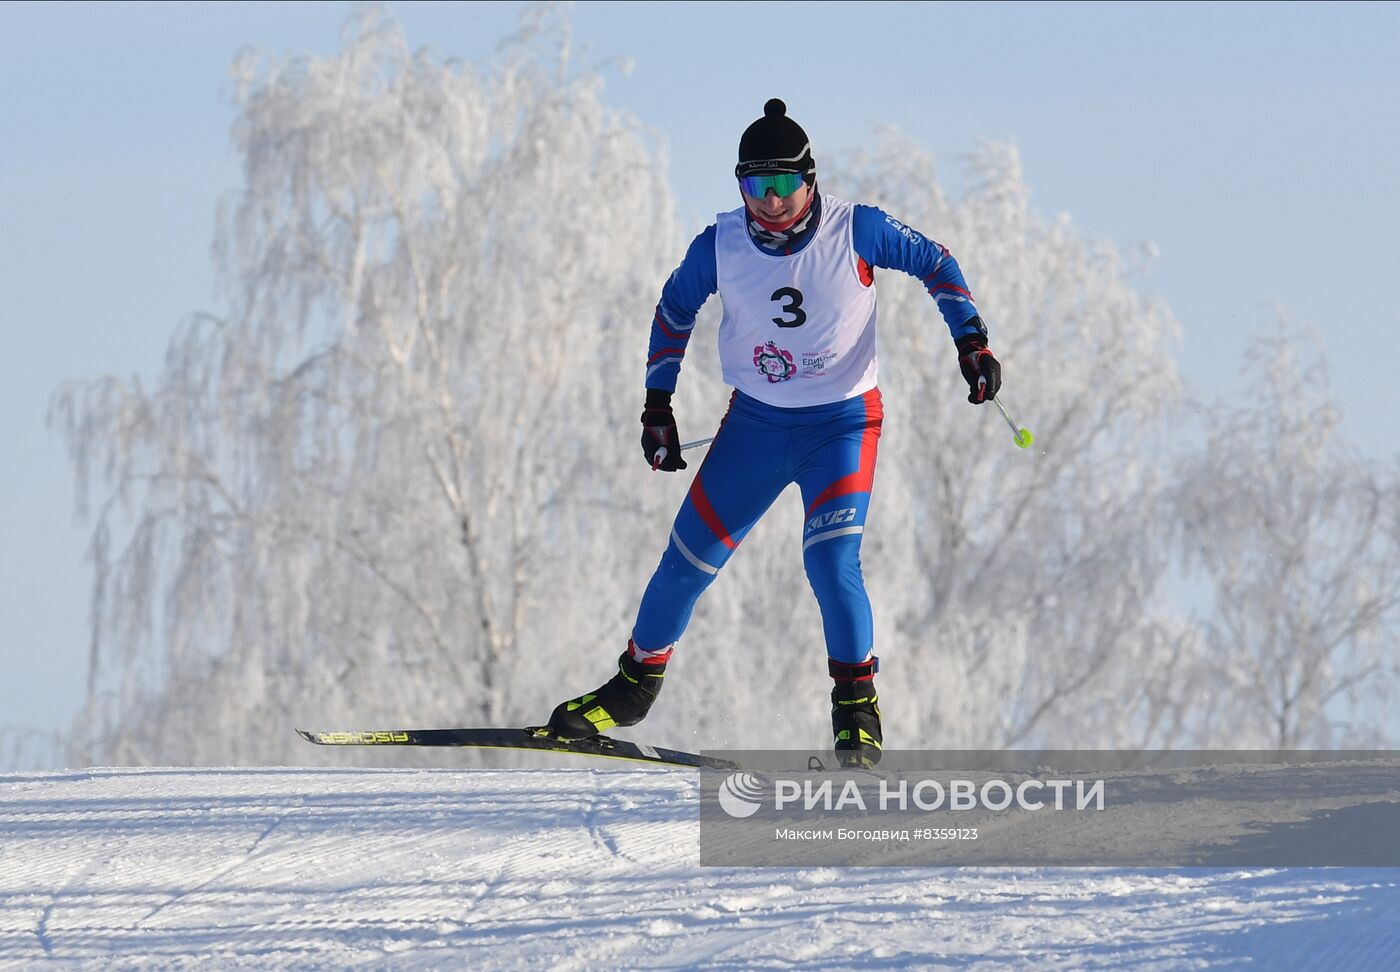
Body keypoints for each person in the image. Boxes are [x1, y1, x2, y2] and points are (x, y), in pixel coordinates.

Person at [544, 99, 1001, 766]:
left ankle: (856, 709)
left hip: (841, 426)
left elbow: (937, 263)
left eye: (785, 183)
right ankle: (634, 686)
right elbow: (673, 311)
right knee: (684, 562)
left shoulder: (858, 229)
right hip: (755, 427)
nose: (772, 201)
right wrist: (657, 406)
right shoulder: (720, 244)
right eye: (756, 185)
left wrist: (972, 343)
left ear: (810, 179)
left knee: (830, 562)